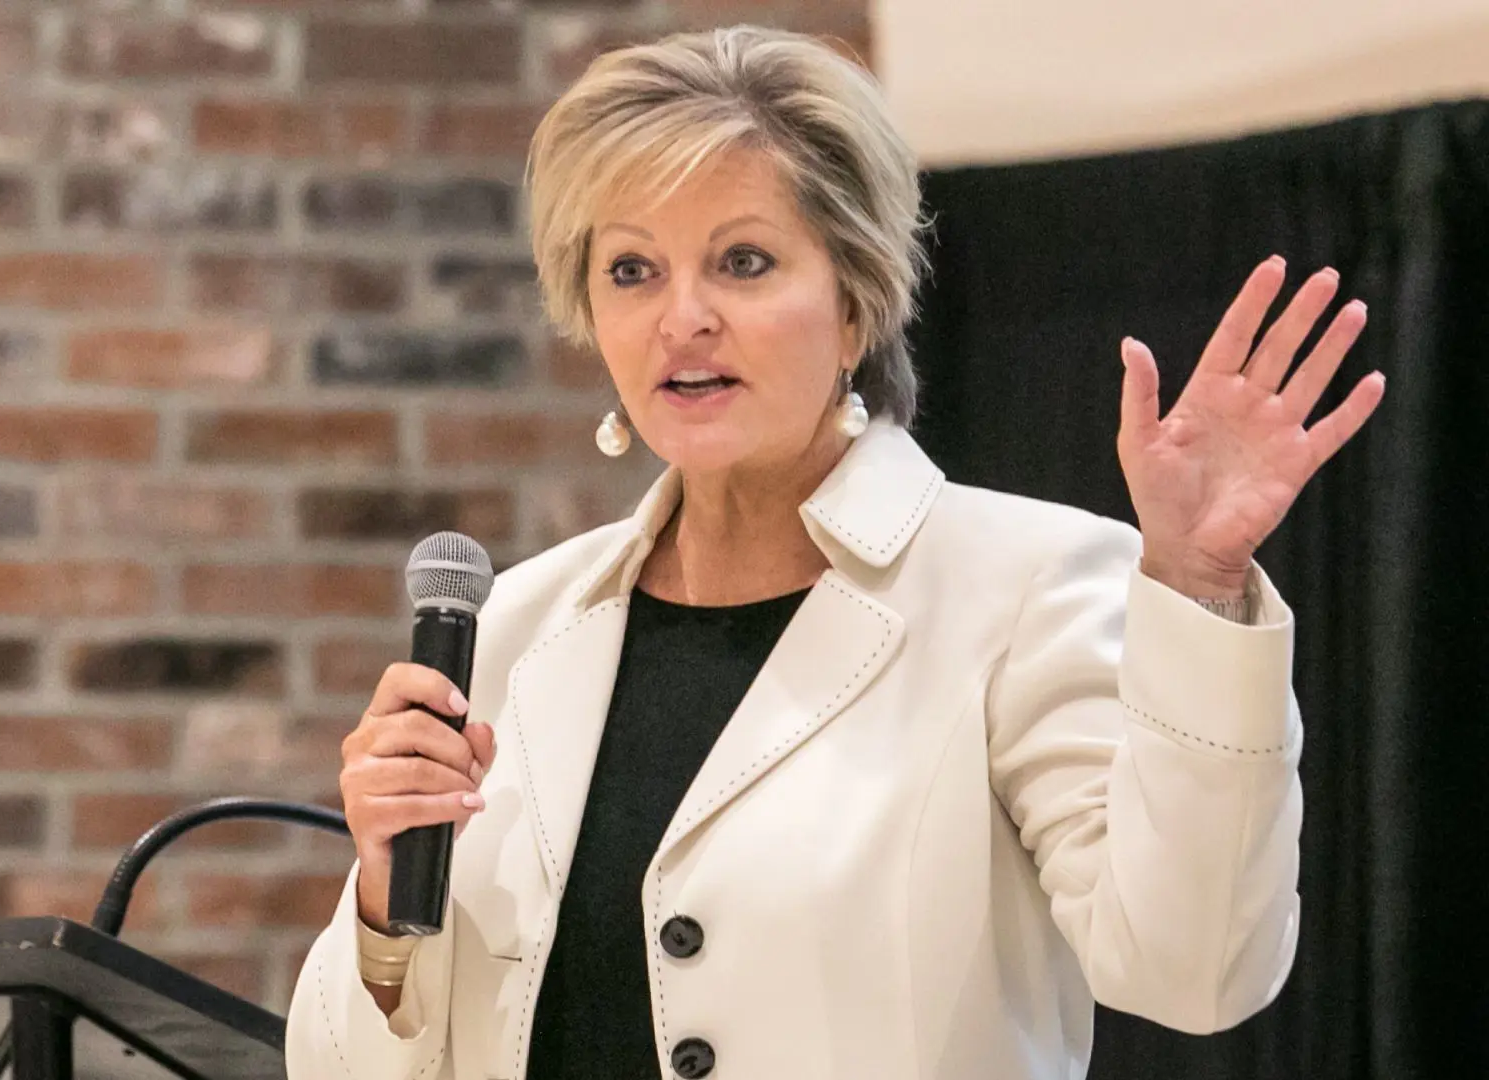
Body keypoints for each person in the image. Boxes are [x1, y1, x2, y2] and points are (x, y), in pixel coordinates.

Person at [285, 24, 1384, 1080]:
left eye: (743, 261)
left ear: (856, 303)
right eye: (631, 271)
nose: (682, 318)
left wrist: (1197, 587)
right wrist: (383, 896)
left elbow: (1194, 972)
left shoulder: (1023, 589)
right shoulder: (518, 628)